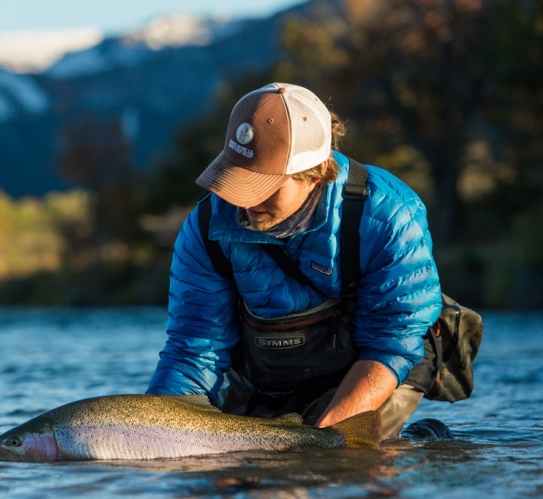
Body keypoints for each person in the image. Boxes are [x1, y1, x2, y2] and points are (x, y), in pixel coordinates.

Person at [146, 82, 443, 440]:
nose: (243, 201)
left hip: (374, 362)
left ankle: (423, 442)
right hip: (266, 377)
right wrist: (157, 437)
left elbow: (391, 344)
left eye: (263, 184)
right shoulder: (207, 225)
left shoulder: (388, 215)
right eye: (237, 178)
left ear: (316, 173)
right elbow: (195, 347)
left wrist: (318, 444)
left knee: (342, 463)